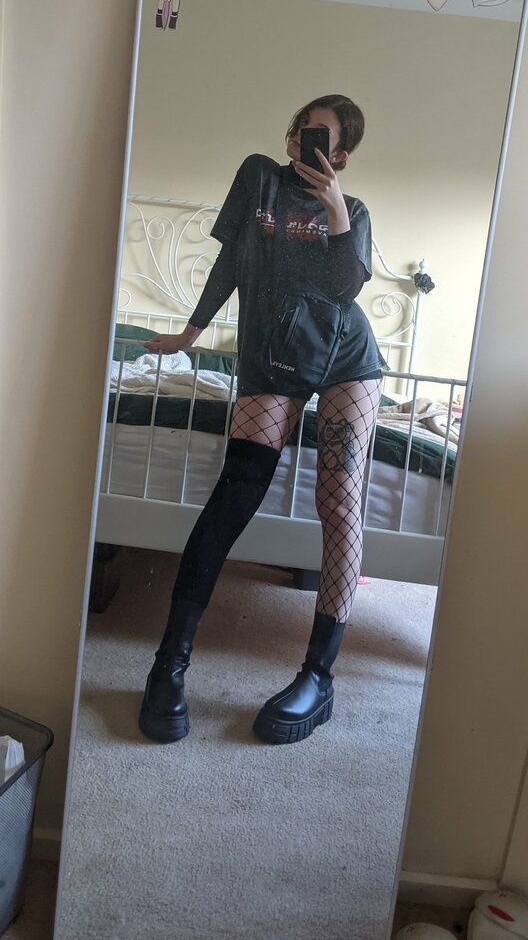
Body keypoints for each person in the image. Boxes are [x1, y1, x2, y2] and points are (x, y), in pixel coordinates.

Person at [138, 94, 388, 746]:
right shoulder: (257, 178)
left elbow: (344, 289)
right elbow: (229, 261)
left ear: (340, 154)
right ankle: (168, 663)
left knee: (339, 500)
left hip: (347, 360)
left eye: (319, 135)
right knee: (236, 491)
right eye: (300, 126)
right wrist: (191, 332)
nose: (302, 137)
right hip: (271, 359)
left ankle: (318, 676)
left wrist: (336, 209)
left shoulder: (354, 212)